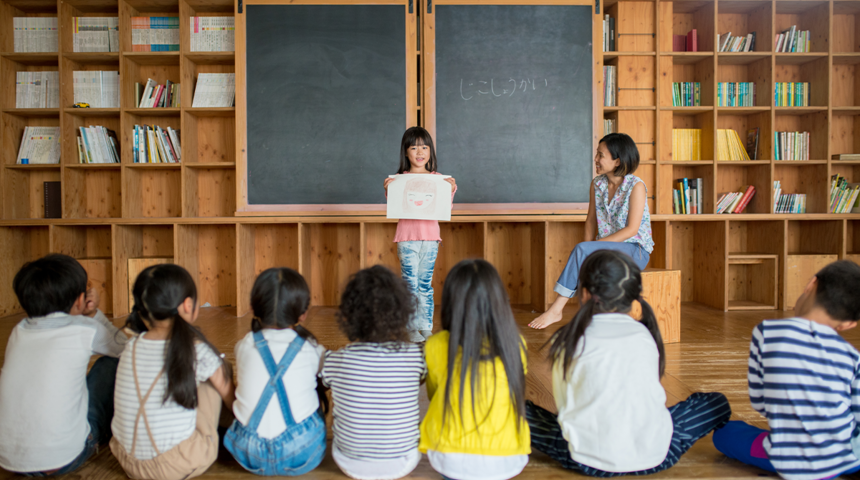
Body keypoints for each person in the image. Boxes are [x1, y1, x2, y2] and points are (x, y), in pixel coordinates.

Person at [527, 250, 731, 476]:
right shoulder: (645, 334)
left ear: (584, 293)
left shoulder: (568, 339)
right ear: (634, 295)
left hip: (584, 459)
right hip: (658, 455)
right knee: (715, 402)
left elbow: (566, 408)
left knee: (517, 411)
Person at [713, 260, 860, 480]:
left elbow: (761, 403)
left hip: (788, 458)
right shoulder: (852, 356)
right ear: (849, 324)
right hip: (841, 456)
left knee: (724, 434)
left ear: (810, 285)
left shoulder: (766, 332)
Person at [0, 254, 127, 475]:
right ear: (80, 300)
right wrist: (94, 314)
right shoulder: (85, 328)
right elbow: (126, 349)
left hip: (8, 459)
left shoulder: (19, 331)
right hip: (63, 460)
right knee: (110, 364)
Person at [110, 264, 235, 480]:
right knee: (218, 372)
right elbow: (231, 399)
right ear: (188, 305)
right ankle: (233, 432)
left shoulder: (130, 346)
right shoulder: (197, 350)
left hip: (126, 460)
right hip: (174, 465)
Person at [419, 259, 530, 480]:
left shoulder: (436, 344)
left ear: (451, 302)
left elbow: (434, 395)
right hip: (507, 459)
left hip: (448, 457)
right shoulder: (515, 343)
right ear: (499, 301)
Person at [530, 133, 653, 329]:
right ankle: (588, 317)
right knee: (583, 255)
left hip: (635, 250)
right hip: (608, 248)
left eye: (600, 155)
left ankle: (556, 310)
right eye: (597, 154)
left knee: (582, 251)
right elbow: (590, 221)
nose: (595, 159)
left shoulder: (636, 186)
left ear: (617, 161)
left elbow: (631, 229)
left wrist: (589, 248)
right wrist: (588, 249)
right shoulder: (597, 184)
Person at [321, 265, 426, 480]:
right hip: (404, 462)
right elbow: (420, 379)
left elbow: (321, 380)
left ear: (349, 317)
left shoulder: (339, 360)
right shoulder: (415, 357)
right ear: (403, 313)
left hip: (348, 462)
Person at [225, 268, 327, 476]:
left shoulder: (243, 345)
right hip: (303, 451)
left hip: (249, 452)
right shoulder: (312, 349)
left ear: (253, 308)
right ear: (303, 313)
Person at [384, 126, 457, 342]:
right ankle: (410, 326)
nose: (419, 152)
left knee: (425, 284)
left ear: (430, 151)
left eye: (424, 147)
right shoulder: (398, 180)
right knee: (409, 284)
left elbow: (445, 209)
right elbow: (397, 207)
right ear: (405, 152)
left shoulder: (440, 180)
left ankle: (426, 326)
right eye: (414, 147)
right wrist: (389, 190)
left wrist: (451, 190)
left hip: (431, 239)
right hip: (407, 239)